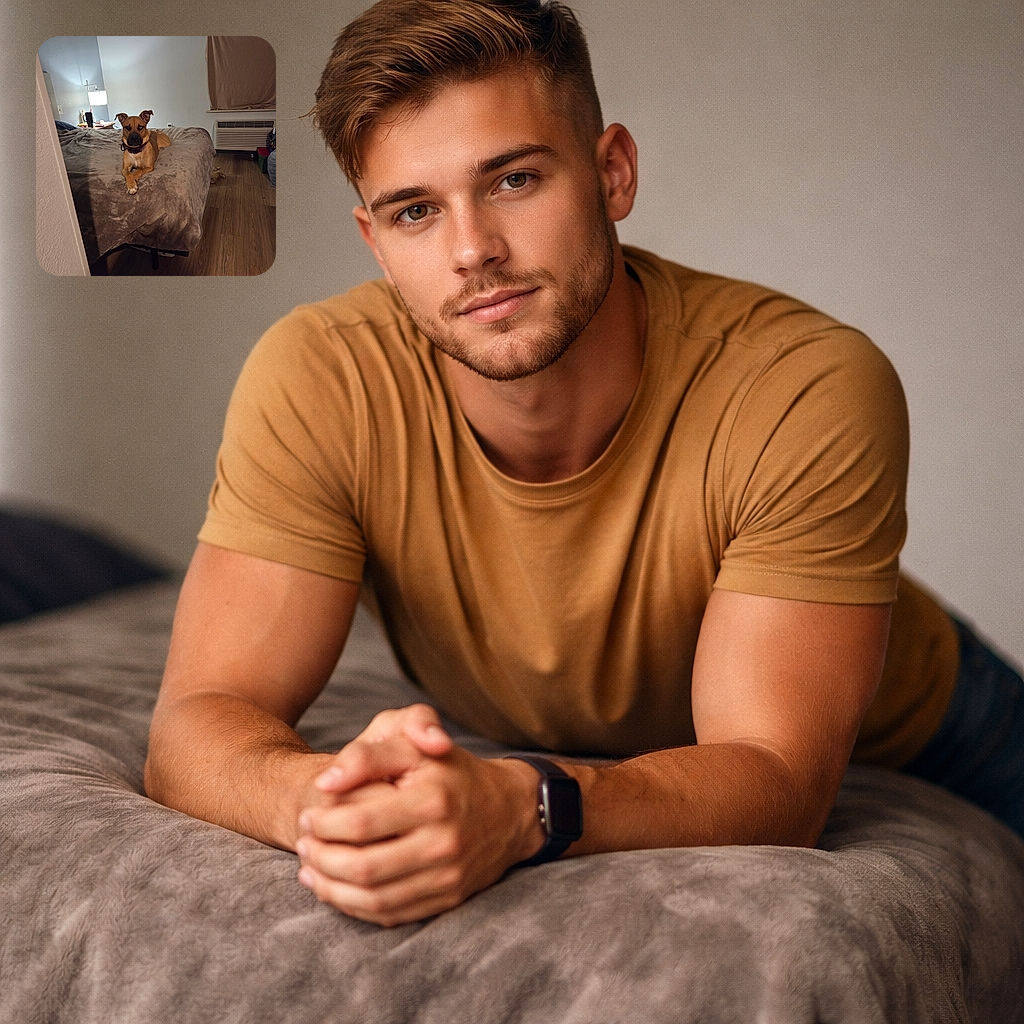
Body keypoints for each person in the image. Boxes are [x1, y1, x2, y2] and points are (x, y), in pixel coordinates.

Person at [145, 0, 1023, 927]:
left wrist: (525, 804)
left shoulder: (803, 383)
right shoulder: (324, 376)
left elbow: (776, 776)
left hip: (935, 736)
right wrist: (333, 810)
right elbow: (201, 718)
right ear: (375, 241)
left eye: (515, 179)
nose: (471, 250)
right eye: (415, 211)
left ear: (612, 173)